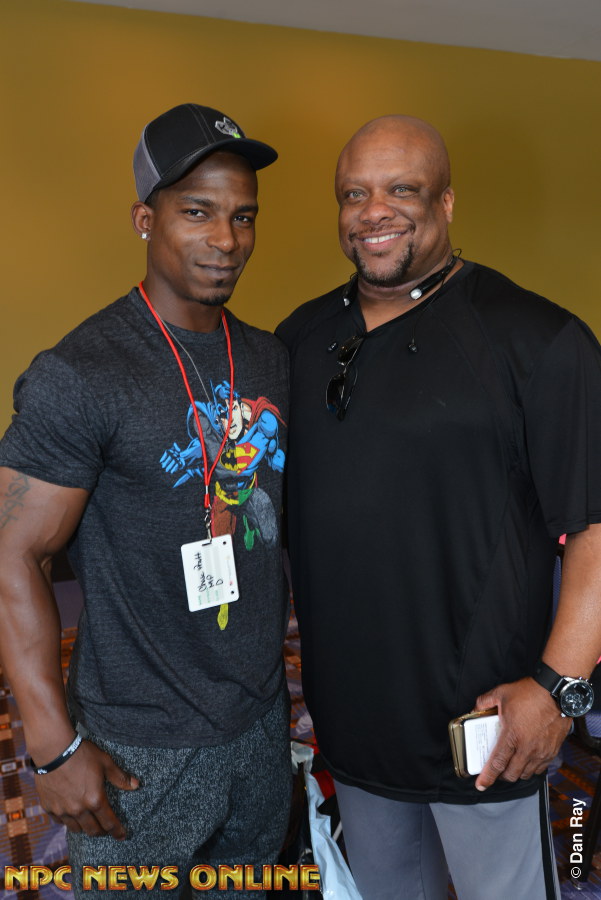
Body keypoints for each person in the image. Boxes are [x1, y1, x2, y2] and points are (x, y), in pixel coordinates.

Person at [276, 114, 601, 899]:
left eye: (401, 190)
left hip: (488, 729)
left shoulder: (536, 338)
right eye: (353, 193)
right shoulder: (299, 340)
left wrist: (558, 692)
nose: (373, 211)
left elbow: (593, 530)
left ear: (445, 202)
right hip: (351, 725)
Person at [0, 103, 291, 896]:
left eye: (242, 216)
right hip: (140, 745)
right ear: (144, 219)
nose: (225, 239)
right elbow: (14, 553)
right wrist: (52, 747)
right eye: (197, 212)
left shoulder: (269, 358)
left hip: (262, 722)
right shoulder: (82, 373)